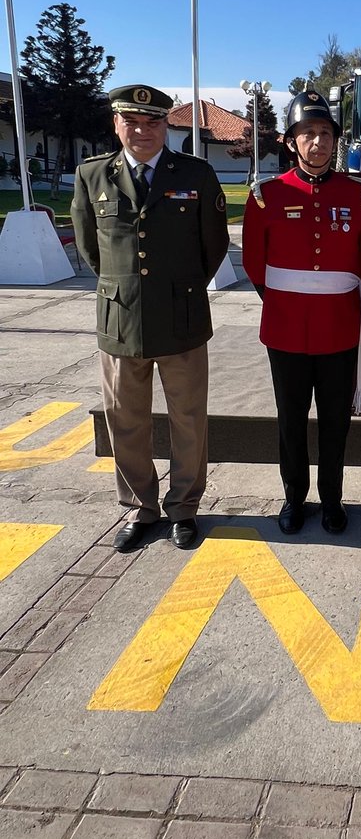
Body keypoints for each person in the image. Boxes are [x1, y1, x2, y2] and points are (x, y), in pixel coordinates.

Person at [71, 84, 229, 553]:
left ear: (167, 126)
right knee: (126, 421)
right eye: (132, 122)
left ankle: (184, 508)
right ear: (116, 124)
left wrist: (179, 288)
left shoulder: (196, 174)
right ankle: (141, 507)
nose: (142, 131)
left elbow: (213, 246)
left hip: (182, 319)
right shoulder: (93, 175)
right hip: (120, 321)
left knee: (188, 420)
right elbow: (90, 249)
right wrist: (125, 287)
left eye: (153, 122)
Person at [241, 90, 361, 535]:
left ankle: (333, 499)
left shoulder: (359, 195)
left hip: (339, 329)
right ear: (291, 141)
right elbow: (254, 265)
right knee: (291, 420)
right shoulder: (267, 195)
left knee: (335, 422)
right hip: (285, 329)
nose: (317, 143)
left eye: (324, 134)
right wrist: (291, 299)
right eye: (307, 134)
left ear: (335, 140)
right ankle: (293, 498)